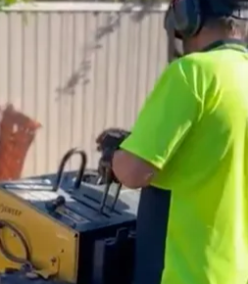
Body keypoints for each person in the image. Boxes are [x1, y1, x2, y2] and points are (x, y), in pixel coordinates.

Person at [96, 0, 248, 283]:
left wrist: (114, 154)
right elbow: (214, 151)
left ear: (188, 16)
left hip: (187, 273)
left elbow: (134, 171)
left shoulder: (193, 73)